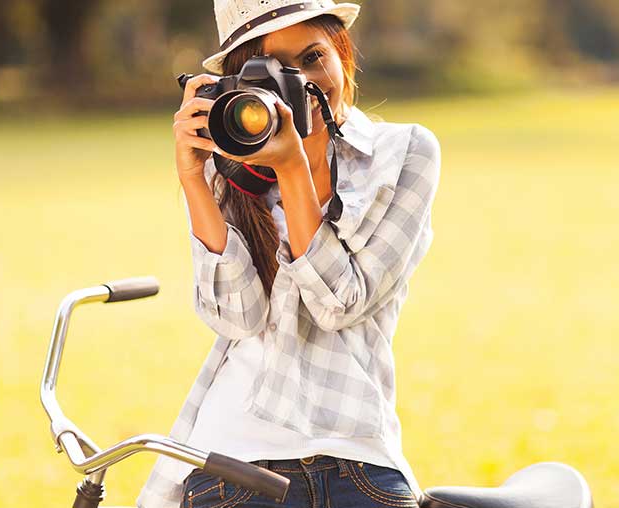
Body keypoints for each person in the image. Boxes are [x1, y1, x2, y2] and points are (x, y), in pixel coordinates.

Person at [136, 1, 441, 507]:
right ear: (241, 86)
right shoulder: (229, 164)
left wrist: (293, 168)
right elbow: (237, 317)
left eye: (314, 59)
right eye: (276, 74)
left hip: (359, 458)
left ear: (345, 55)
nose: (302, 85)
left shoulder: (406, 153)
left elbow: (339, 303)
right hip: (231, 459)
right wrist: (194, 178)